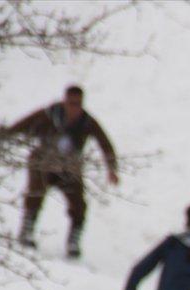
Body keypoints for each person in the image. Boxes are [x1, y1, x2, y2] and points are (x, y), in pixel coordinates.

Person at [6, 85, 119, 258]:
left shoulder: (87, 122)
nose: (74, 108)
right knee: (35, 193)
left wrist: (112, 169)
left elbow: (105, 143)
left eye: (78, 104)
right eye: (71, 103)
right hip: (43, 164)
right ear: (64, 101)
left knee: (78, 204)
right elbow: (19, 126)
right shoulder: (48, 115)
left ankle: (73, 240)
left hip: (69, 169)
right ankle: (27, 230)